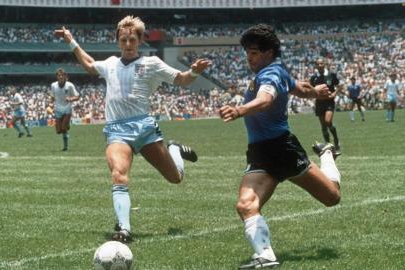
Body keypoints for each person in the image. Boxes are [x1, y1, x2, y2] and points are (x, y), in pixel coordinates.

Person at [54, 15, 210, 242]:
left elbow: (181, 79)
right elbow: (88, 64)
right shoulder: (109, 64)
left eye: (132, 40)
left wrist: (194, 71)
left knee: (175, 178)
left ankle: (175, 150)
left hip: (144, 129)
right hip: (117, 130)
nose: (128, 44)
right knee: (119, 175)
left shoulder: (152, 63)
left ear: (140, 41)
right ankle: (124, 229)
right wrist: (70, 39)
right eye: (124, 40)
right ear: (118, 41)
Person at [219, 24, 341, 269]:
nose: (248, 58)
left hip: (283, 150)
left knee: (332, 197)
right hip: (260, 153)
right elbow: (299, 89)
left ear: (268, 52)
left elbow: (266, 99)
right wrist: (316, 92)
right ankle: (266, 256)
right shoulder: (277, 70)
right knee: (246, 205)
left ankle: (327, 154)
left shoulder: (271, 75)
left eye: (253, 53)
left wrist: (239, 109)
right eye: (247, 52)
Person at [310, 58, 341, 153]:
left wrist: (334, 94)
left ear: (325, 64)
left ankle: (335, 139)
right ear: (316, 66)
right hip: (319, 103)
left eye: (321, 63)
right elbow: (311, 89)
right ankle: (328, 145)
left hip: (329, 102)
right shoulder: (314, 78)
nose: (320, 65)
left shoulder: (331, 75)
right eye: (318, 64)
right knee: (323, 126)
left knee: (328, 121)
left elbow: (339, 85)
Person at [50, 68, 80, 151]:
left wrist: (70, 99)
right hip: (58, 109)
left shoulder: (70, 85)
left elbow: (77, 96)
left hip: (67, 109)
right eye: (58, 75)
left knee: (63, 129)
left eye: (62, 75)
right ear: (57, 77)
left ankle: (65, 147)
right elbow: (52, 96)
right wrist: (50, 103)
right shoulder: (53, 85)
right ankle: (67, 126)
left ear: (65, 76)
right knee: (59, 131)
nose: (60, 77)